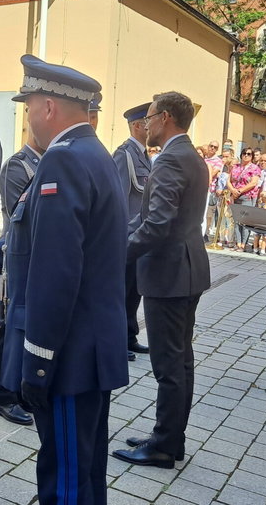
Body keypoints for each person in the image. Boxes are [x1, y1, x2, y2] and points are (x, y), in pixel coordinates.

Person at [0, 54, 128, 504]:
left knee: (63, 476)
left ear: (48, 107)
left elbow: (54, 272)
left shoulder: (63, 161)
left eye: (28, 108)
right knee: (84, 469)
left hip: (66, 355)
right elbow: (26, 243)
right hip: (87, 347)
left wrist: (39, 363)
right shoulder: (92, 154)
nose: (26, 119)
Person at [113, 91, 210, 469]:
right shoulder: (190, 155)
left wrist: (116, 257)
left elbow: (157, 223)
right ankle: (169, 437)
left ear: (165, 117)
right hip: (186, 269)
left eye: (150, 117)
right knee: (180, 361)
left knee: (169, 365)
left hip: (167, 274)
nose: (147, 124)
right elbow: (151, 219)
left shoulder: (170, 158)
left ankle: (165, 446)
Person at [0, 131, 44, 427]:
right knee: (6, 326)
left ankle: (21, 390)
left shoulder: (50, 163)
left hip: (39, 263)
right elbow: (19, 215)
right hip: (18, 261)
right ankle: (4, 396)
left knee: (24, 329)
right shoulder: (17, 165)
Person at [113, 102, 153, 362]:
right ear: (137, 126)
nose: (151, 127)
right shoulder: (124, 154)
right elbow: (117, 199)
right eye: (147, 123)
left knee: (134, 290)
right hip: (126, 236)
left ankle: (129, 335)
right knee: (122, 291)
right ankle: (117, 341)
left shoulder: (145, 155)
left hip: (140, 235)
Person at [229, 147, 261, 252]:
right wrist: (233, 190)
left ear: (252, 156)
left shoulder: (255, 168)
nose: (246, 155)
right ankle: (238, 243)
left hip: (247, 195)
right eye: (244, 153)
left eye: (249, 154)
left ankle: (244, 244)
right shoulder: (235, 167)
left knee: (245, 220)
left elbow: (253, 183)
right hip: (235, 195)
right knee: (237, 220)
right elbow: (228, 181)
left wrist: (239, 191)